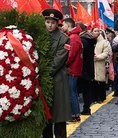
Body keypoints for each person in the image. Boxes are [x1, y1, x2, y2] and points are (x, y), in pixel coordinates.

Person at [42, 9, 71, 138]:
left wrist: (42, 73)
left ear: (57, 23)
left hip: (57, 79)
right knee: (45, 116)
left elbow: (57, 62)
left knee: (59, 115)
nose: (49, 25)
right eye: (47, 22)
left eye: (52, 22)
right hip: (42, 81)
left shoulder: (64, 39)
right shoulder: (39, 36)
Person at [62, 18, 83, 123]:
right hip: (73, 69)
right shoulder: (73, 36)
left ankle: (74, 115)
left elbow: (70, 55)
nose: (62, 26)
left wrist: (62, 63)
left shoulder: (73, 38)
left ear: (68, 24)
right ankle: (75, 114)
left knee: (72, 93)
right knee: (73, 92)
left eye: (63, 24)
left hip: (72, 70)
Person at [77, 22, 96, 116]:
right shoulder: (90, 38)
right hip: (89, 67)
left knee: (79, 90)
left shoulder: (83, 40)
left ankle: (82, 109)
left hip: (83, 68)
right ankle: (87, 108)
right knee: (86, 90)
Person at [92, 28, 111, 104]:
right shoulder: (90, 41)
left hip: (100, 64)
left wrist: (98, 57)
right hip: (92, 64)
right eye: (95, 31)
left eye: (98, 31)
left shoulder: (104, 42)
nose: (96, 32)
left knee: (101, 81)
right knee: (93, 81)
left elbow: (106, 53)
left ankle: (101, 97)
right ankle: (94, 97)